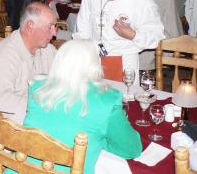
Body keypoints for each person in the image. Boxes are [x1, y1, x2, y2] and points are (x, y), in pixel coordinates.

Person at [10, 39, 142, 174]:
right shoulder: (107, 100)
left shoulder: (37, 87)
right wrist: (99, 142)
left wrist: (97, 141)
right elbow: (131, 149)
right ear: (95, 65)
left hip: (19, 169)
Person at [74, 0, 164, 84]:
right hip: (92, 55)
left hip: (123, 59)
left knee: (122, 101)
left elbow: (156, 37)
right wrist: (81, 49)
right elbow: (83, 20)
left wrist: (133, 35)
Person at [0, 2, 57, 124]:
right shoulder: (6, 54)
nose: (54, 33)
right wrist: (44, 105)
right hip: (4, 119)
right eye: (50, 27)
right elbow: (3, 100)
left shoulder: (47, 50)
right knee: (60, 129)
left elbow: (63, 78)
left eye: (55, 27)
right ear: (30, 26)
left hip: (34, 110)